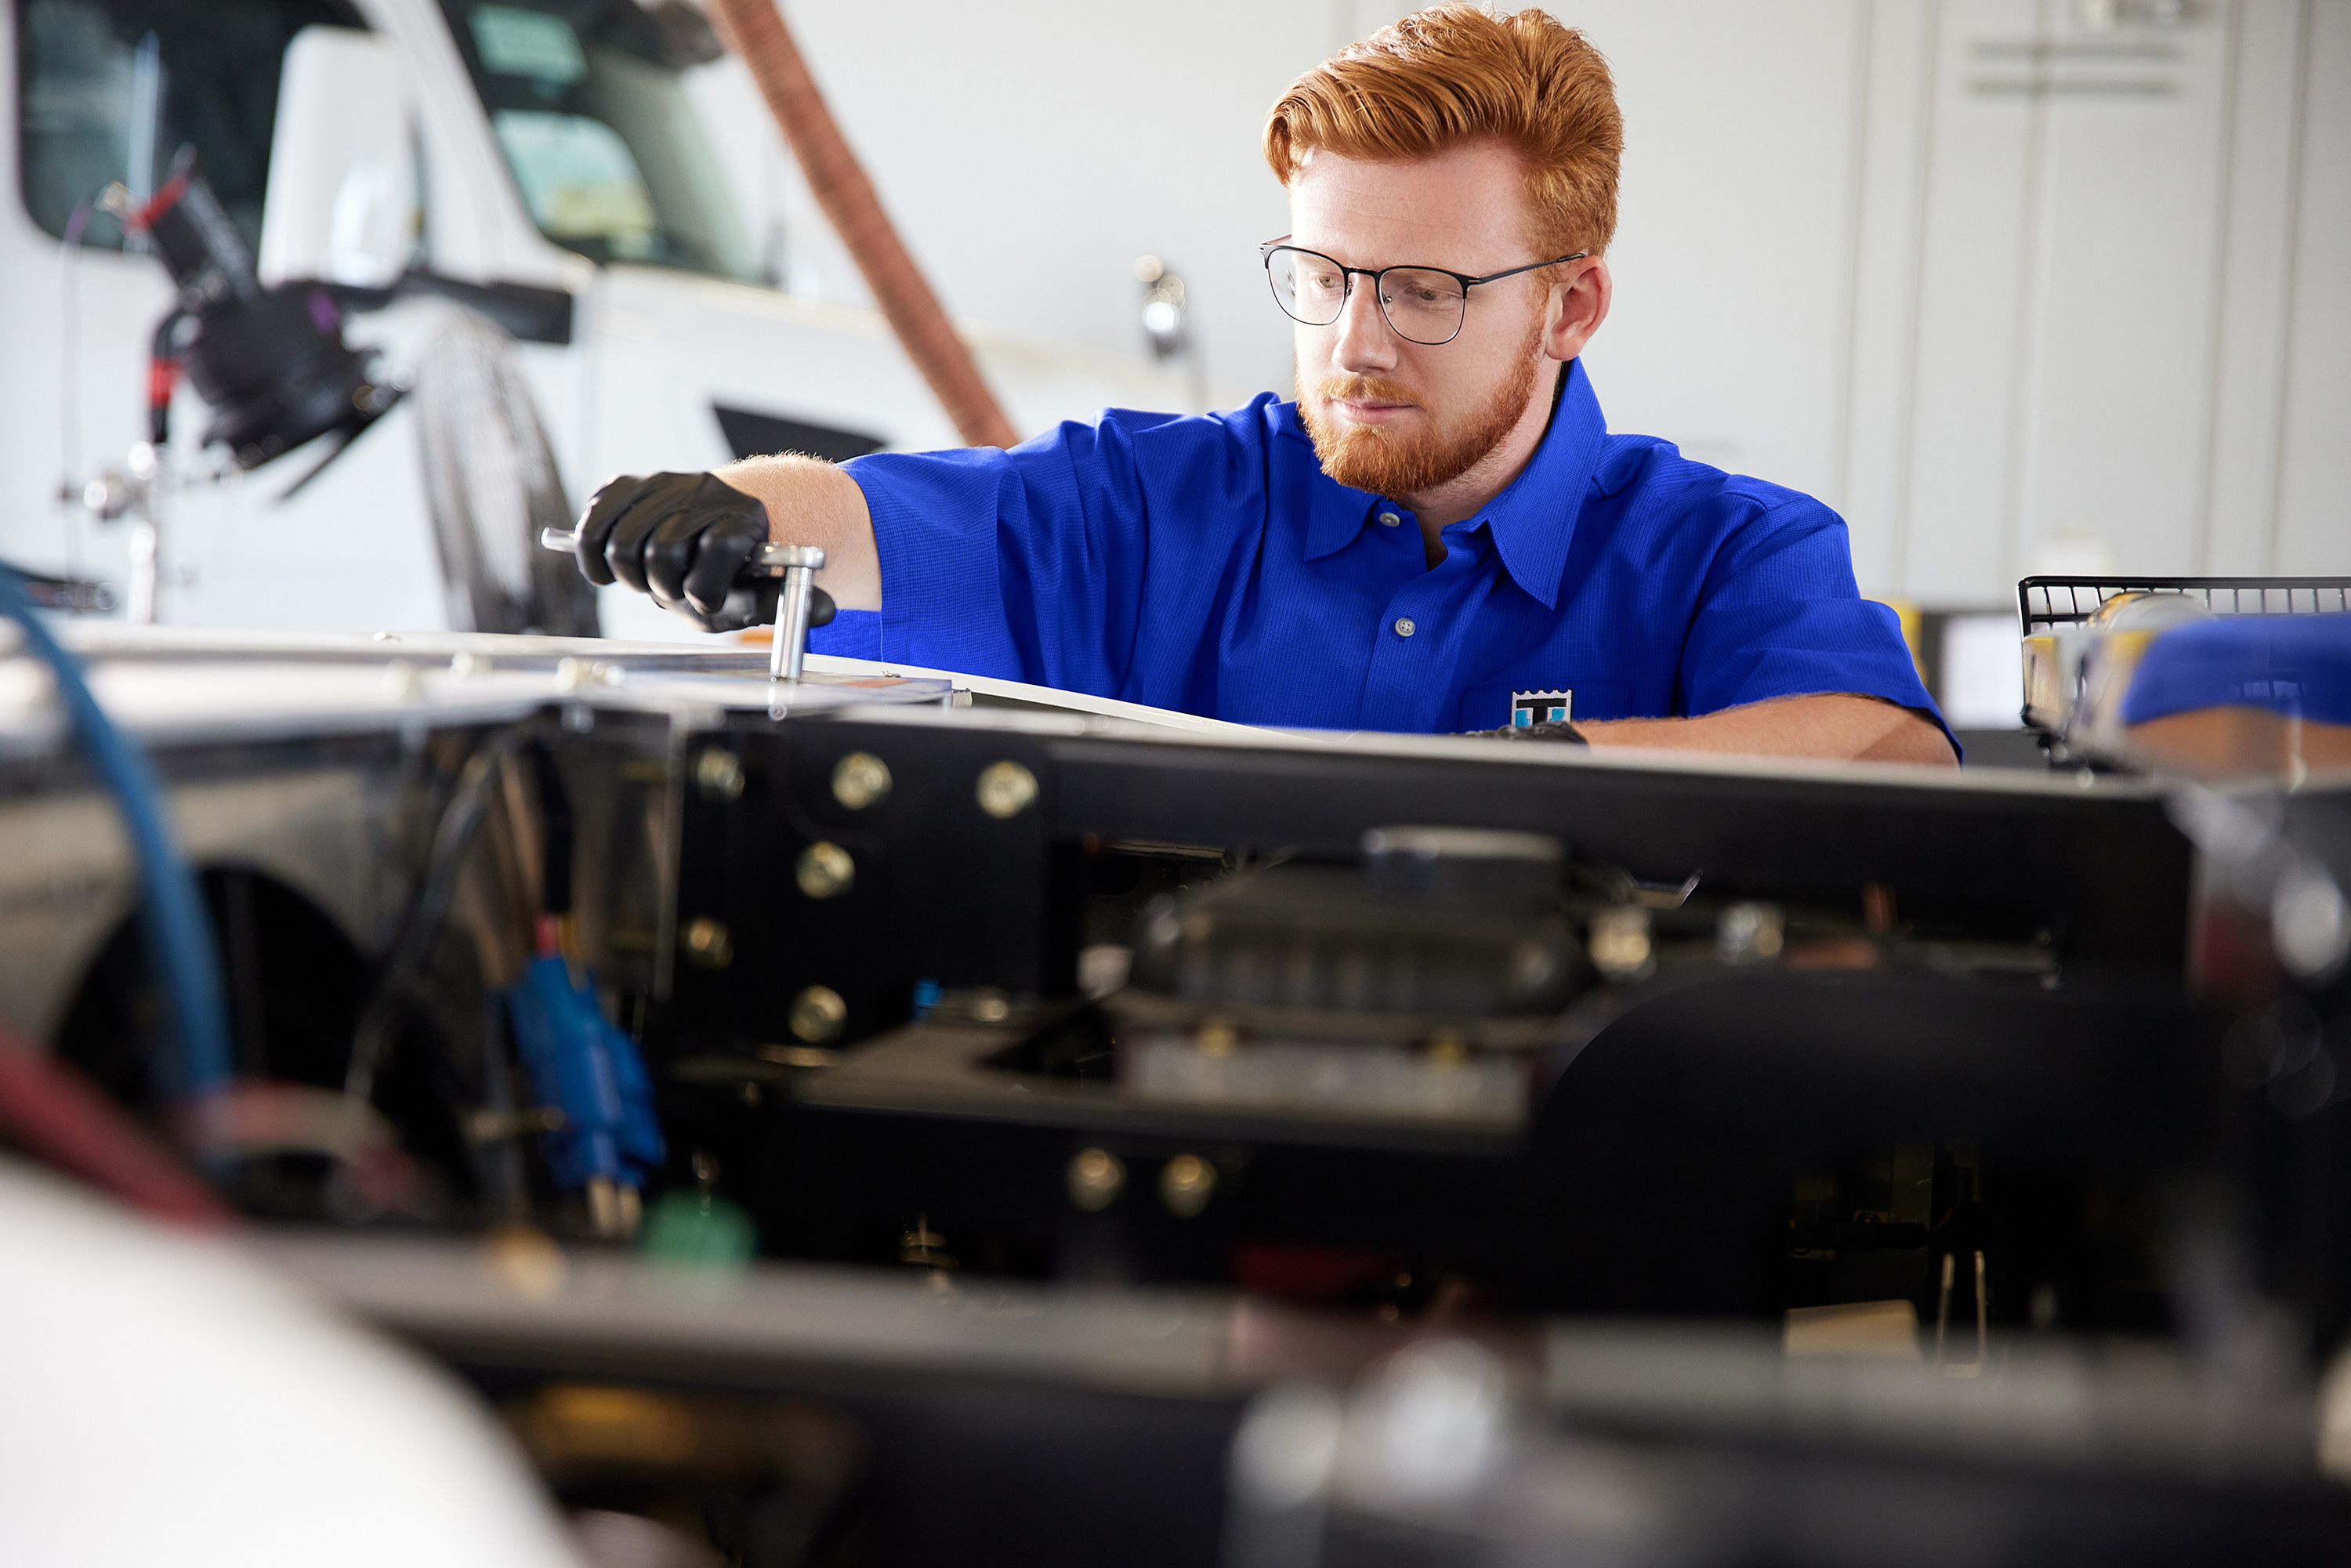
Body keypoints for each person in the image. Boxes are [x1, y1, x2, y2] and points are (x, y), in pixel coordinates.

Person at [575, 5, 1956, 765]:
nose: (1354, 343)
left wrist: (1559, 775)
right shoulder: (1160, 506)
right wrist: (741, 516)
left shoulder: (1722, 551)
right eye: (1326, 276)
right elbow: (870, 523)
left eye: (1424, 290)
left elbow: (1888, 757)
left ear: (1569, 304)